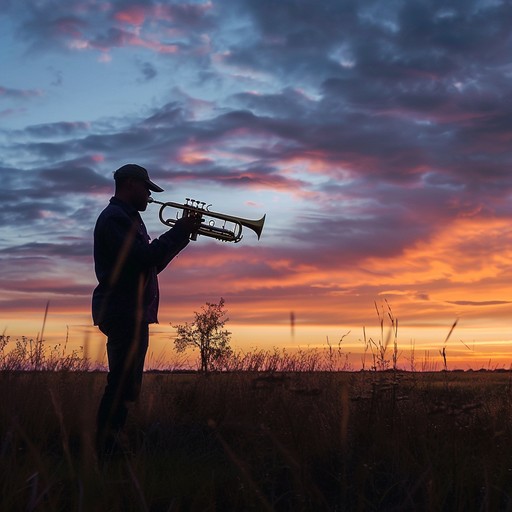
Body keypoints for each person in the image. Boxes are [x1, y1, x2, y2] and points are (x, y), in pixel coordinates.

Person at [92, 163, 200, 454]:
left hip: (133, 310)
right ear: (129, 184)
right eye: (146, 189)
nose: (149, 196)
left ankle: (110, 449)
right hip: (123, 310)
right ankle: (106, 452)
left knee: (127, 387)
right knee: (120, 386)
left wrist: (182, 238)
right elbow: (142, 258)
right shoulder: (115, 218)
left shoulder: (130, 219)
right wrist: (177, 232)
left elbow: (150, 265)